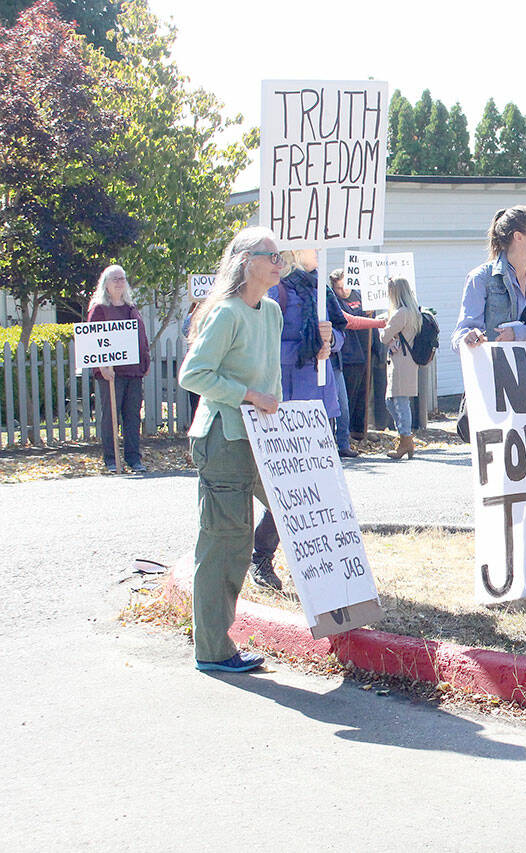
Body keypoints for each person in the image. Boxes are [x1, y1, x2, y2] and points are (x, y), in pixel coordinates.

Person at [178, 225, 284, 673]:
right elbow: (193, 375)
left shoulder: (273, 312)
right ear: (247, 262)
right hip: (223, 439)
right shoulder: (224, 313)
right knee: (224, 543)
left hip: (260, 437)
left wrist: (323, 349)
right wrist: (250, 396)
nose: (281, 263)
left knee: (293, 510)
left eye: (281, 256)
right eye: (272, 256)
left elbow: (271, 376)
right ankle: (213, 650)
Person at [248, 248, 347, 590]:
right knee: (287, 491)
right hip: (287, 402)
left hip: (320, 400)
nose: (320, 250)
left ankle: (323, 566)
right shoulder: (277, 288)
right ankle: (261, 556)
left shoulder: (320, 289)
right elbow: (263, 346)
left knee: (321, 490)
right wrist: (306, 348)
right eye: (313, 245)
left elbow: (339, 334)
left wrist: (329, 341)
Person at [451, 205, 526, 352]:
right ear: (518, 237)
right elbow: (461, 335)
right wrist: (468, 338)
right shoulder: (481, 278)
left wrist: (521, 333)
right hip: (495, 372)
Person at [87, 265, 151, 474]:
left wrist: (145, 363)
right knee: (111, 417)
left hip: (133, 372)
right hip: (111, 374)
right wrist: (101, 367)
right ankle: (112, 459)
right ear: (105, 283)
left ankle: (134, 459)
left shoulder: (131, 307)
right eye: (115, 279)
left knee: (132, 416)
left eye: (122, 278)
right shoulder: (99, 309)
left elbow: (141, 338)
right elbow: (93, 341)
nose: (119, 282)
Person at [331, 267, 385, 444]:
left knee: (364, 394)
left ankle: (360, 431)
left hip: (365, 351)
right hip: (347, 355)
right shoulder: (333, 301)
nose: (343, 291)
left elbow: (371, 325)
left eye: (345, 287)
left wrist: (377, 348)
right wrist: (377, 321)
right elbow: (350, 321)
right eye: (339, 288)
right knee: (348, 397)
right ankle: (345, 434)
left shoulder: (360, 296)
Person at [379, 277, 422, 460]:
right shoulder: (413, 311)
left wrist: (382, 326)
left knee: (398, 401)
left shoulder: (401, 313)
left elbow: (384, 336)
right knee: (396, 401)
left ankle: (405, 440)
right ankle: (406, 439)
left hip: (400, 362)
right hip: (409, 361)